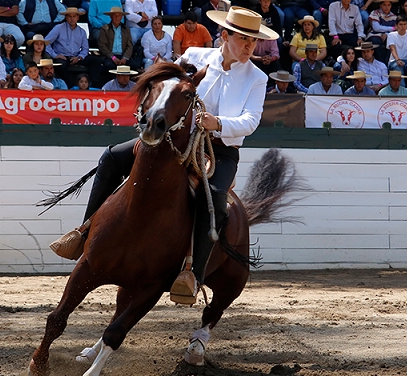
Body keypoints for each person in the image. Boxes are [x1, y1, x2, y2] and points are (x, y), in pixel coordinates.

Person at [50, 7, 279, 304]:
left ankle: (193, 274)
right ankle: (84, 233)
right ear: (225, 36)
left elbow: (251, 120)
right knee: (111, 158)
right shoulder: (194, 56)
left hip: (220, 149)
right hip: (175, 140)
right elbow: (163, 79)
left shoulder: (256, 78)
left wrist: (217, 123)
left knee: (216, 199)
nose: (250, 48)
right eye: (244, 40)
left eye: (254, 42)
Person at [44, 7, 94, 87]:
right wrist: (55, 55)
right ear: (66, 17)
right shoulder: (58, 28)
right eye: (70, 16)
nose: (72, 19)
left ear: (78, 17)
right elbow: (46, 42)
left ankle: (92, 86)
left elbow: (85, 49)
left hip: (76, 56)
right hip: (62, 56)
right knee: (61, 65)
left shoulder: (82, 31)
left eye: (74, 16)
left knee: (95, 61)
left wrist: (79, 57)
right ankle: (67, 87)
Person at [98, 7, 140, 83]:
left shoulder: (126, 29)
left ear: (121, 17)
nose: (117, 17)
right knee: (109, 67)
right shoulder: (104, 29)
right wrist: (113, 57)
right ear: (111, 16)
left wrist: (125, 58)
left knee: (135, 67)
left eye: (119, 15)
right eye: (115, 15)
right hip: (110, 56)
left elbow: (129, 45)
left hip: (123, 56)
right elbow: (102, 46)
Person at [387, 15, 407, 94]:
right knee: (398, 66)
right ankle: (402, 92)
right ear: (396, 26)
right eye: (400, 24)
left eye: (405, 24)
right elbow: (392, 49)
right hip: (394, 61)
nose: (403, 26)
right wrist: (398, 59)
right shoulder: (391, 35)